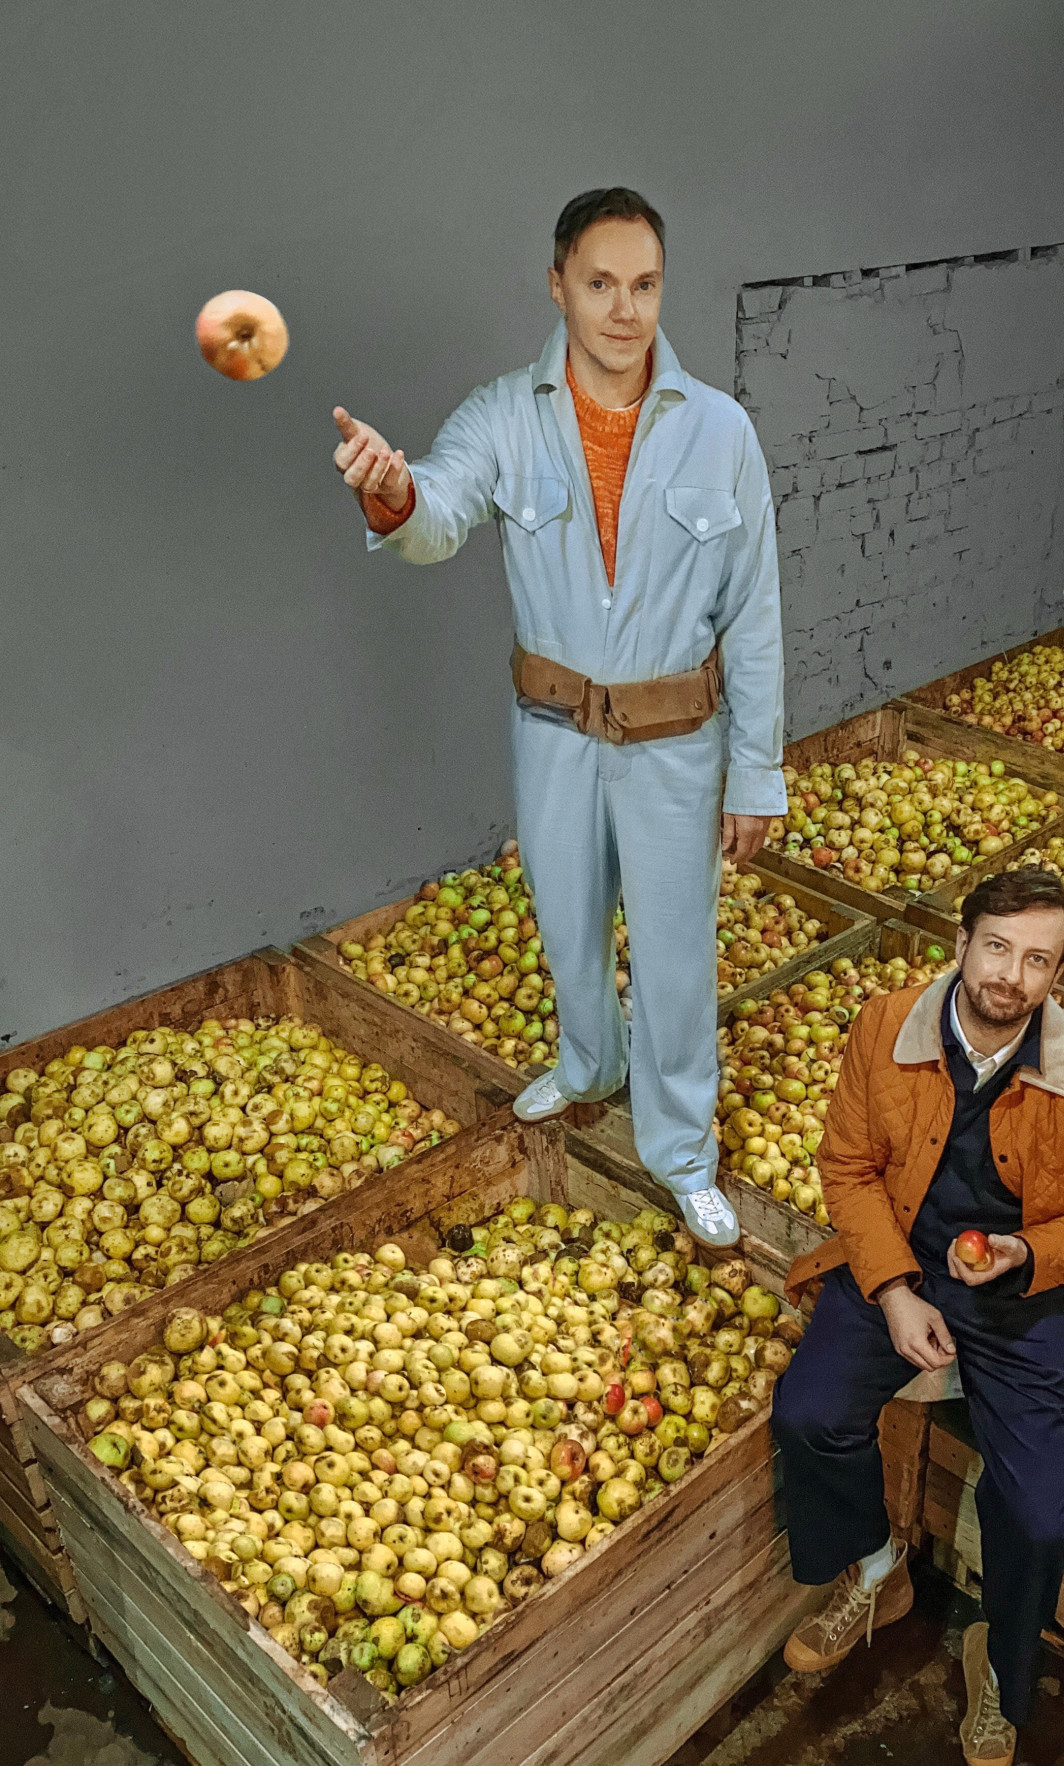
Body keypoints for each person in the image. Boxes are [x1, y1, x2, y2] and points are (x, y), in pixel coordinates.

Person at [330, 187, 786, 1247]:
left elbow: (755, 609)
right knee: (568, 926)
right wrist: (390, 490)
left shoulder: (720, 431)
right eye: (600, 283)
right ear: (557, 286)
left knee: (675, 955)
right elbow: (437, 513)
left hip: (676, 744)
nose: (625, 310)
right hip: (553, 738)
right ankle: (589, 1064)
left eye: (645, 285)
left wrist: (757, 771)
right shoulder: (504, 414)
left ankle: (682, 1151)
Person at [772, 868, 1064, 1766]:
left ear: (1058, 975)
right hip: (900, 1253)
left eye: (1036, 960)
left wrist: (1026, 1251)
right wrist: (895, 1291)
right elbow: (847, 1168)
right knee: (808, 1413)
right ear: (962, 942)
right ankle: (877, 1570)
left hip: (1020, 1292)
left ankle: (1001, 1668)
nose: (1010, 976)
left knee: (1035, 1517)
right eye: (997, 947)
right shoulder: (885, 1027)